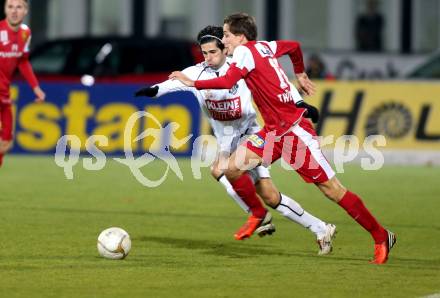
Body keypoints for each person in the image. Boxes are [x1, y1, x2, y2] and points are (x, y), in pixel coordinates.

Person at [170, 13, 396, 264]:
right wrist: (300, 74)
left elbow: (226, 81)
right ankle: (258, 213)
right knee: (229, 168)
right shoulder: (266, 46)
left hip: (295, 132)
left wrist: (190, 81)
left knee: (332, 190)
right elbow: (294, 48)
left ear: (241, 37)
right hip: (274, 133)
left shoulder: (244, 52)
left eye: (226, 35)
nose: (224, 40)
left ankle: (381, 236)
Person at [135, 25, 336, 255]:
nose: (208, 57)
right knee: (269, 195)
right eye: (204, 53)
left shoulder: (241, 66)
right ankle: (319, 228)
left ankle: (260, 216)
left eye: (213, 52)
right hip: (226, 142)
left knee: (220, 170)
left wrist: (300, 103)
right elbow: (167, 86)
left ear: (224, 49)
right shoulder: (196, 73)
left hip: (252, 135)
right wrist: (149, 91)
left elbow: (279, 82)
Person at [0, 0, 45, 167]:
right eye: (10, 7)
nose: (14, 11)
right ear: (5, 9)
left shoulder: (25, 33)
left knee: (5, 143)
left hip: (5, 94)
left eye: (19, 7)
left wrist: (36, 87)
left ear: (25, 11)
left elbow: (23, 62)